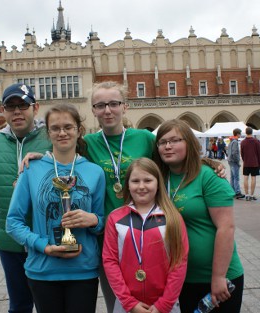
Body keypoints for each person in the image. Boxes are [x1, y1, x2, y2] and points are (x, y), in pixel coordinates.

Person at [20, 81, 225, 313]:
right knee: (119, 303)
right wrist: (40, 157)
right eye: (100, 105)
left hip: (150, 232)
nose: (107, 110)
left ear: (125, 107)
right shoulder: (87, 143)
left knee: (159, 296)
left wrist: (207, 162)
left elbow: (166, 166)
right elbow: (63, 155)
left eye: (114, 104)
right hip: (110, 239)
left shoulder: (144, 139)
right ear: (93, 110)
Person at [6, 103, 105, 313]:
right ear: (48, 132)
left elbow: (102, 221)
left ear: (79, 131)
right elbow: (13, 222)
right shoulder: (31, 170)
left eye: (68, 127)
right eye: (55, 128)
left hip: (83, 270)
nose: (62, 133)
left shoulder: (95, 172)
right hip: (43, 269)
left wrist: (94, 220)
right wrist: (43, 246)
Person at [155, 119, 244, 313]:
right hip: (179, 279)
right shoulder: (159, 179)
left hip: (216, 278)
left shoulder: (208, 176)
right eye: (162, 142)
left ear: (189, 143)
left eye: (175, 140)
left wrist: (219, 276)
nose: (168, 146)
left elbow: (226, 227)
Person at [0, 83, 52, 313]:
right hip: (9, 239)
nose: (17, 111)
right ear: (3, 111)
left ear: (35, 107)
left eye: (23, 105)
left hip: (43, 238)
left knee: (47, 303)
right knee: (19, 304)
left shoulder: (50, 137)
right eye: (10, 107)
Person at [103, 157, 188, 313]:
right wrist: (129, 303)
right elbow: (110, 261)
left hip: (165, 305)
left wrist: (164, 304)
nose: (141, 186)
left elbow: (179, 262)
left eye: (148, 180)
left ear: (158, 184)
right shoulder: (115, 218)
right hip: (127, 305)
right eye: (135, 181)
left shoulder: (172, 218)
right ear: (127, 185)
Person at [240, 127, 260, 201]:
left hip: (246, 163)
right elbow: (259, 153)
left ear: (246, 132)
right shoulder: (256, 141)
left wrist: (244, 160)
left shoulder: (243, 142)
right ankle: (251, 195)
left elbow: (241, 153)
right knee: (253, 178)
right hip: (255, 163)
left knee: (245, 177)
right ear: (252, 132)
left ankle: (247, 195)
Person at [227, 128, 245, 199]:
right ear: (237, 134)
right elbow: (235, 153)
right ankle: (237, 192)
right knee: (236, 177)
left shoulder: (231, 141)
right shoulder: (235, 142)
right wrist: (238, 161)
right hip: (234, 161)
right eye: (240, 133)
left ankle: (232, 191)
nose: (240, 135)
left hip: (230, 160)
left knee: (232, 177)